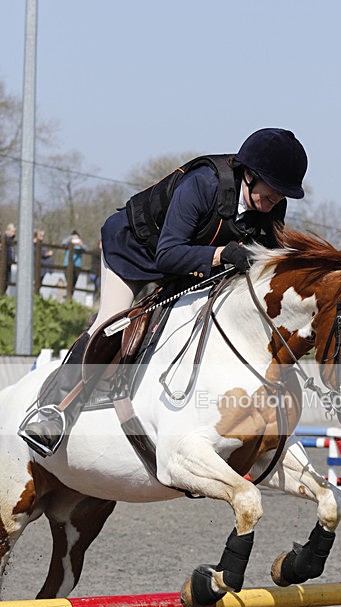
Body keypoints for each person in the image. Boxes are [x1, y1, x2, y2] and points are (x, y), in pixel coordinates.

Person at [19, 127, 308, 457]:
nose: (276, 201)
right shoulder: (204, 183)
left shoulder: (271, 206)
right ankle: (54, 412)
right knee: (110, 324)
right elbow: (168, 254)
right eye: (273, 192)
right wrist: (220, 255)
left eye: (282, 195)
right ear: (250, 175)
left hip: (191, 263)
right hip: (135, 250)